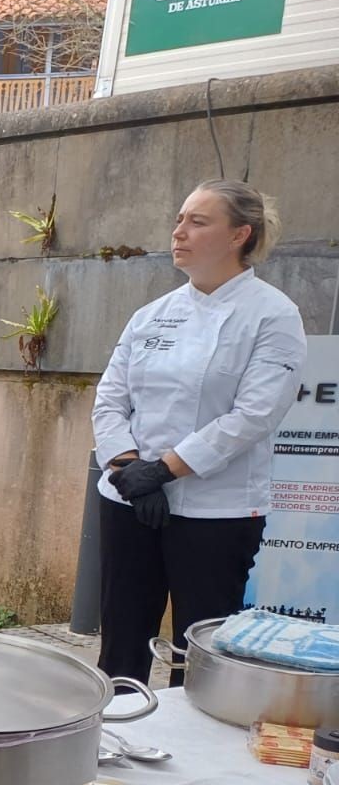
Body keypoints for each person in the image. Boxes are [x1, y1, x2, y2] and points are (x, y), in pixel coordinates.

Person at [92, 179, 307, 685]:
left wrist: (163, 470)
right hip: (129, 502)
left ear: (240, 235)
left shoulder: (274, 315)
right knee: (122, 641)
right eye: (179, 219)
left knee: (200, 650)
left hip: (216, 511)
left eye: (197, 221)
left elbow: (253, 416)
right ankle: (114, 740)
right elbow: (110, 398)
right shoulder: (152, 315)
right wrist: (128, 470)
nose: (179, 231)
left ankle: (190, 757)